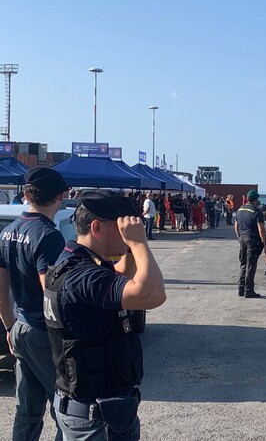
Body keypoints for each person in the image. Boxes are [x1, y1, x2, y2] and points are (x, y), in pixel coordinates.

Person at [45, 190, 166, 440]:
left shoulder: (77, 261)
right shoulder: (84, 276)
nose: (127, 231)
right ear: (97, 227)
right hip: (95, 419)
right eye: (120, 225)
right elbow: (153, 294)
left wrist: (130, 250)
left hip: (93, 409)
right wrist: (139, 243)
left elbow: (119, 277)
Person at [0, 167, 69, 441]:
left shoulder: (8, 232)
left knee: (26, 411)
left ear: (27, 194)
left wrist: (10, 327)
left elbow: (1, 290)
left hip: (20, 326)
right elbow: (51, 293)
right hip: (44, 332)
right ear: (61, 196)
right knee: (66, 408)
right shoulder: (48, 236)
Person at [234, 190, 266, 298]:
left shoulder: (240, 210)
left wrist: (240, 237)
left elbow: (236, 226)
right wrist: (265, 245)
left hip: (242, 238)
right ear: (256, 200)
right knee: (251, 265)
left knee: (243, 264)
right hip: (252, 239)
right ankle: (249, 290)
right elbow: (261, 229)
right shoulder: (257, 212)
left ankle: (241, 288)